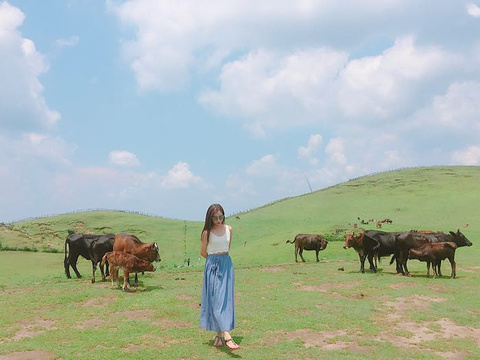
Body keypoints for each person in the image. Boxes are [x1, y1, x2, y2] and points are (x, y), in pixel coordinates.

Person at [200, 203, 240, 350]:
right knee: (216, 299)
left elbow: (227, 248)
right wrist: (213, 261)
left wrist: (222, 259)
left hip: (226, 264)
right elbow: (203, 252)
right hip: (212, 266)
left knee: (225, 299)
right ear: (210, 218)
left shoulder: (229, 229)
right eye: (215, 218)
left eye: (221, 217)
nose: (218, 220)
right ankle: (227, 335)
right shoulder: (206, 233)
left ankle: (218, 336)